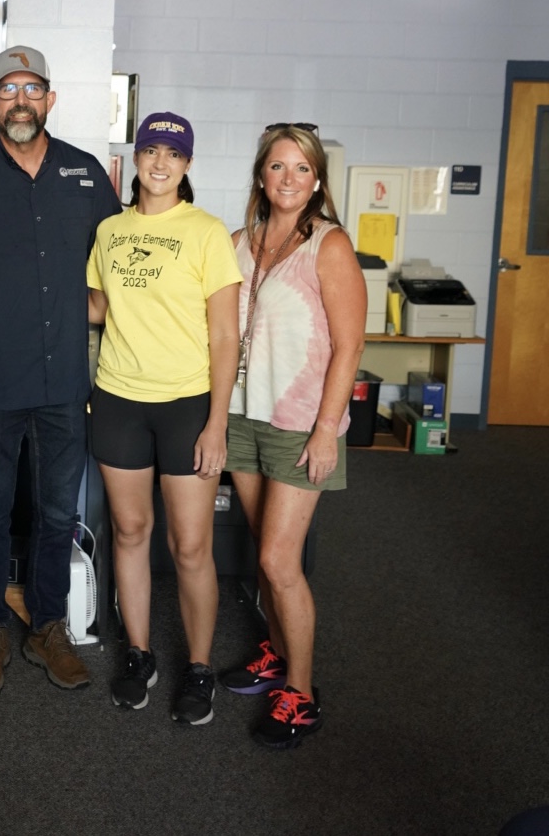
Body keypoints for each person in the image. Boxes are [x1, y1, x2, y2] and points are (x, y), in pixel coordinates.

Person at [0, 45, 121, 695]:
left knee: (58, 512)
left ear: (50, 99)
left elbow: (118, 274)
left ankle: (48, 626)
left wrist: (99, 321)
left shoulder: (88, 176)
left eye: (31, 87)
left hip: (66, 381)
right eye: (6, 89)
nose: (19, 100)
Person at [86, 113, 242, 725]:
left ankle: (198, 667)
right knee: (129, 532)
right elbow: (97, 307)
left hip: (186, 406)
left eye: (172, 154)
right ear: (137, 157)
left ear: (187, 165)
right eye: (150, 149)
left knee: (192, 546)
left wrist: (217, 423)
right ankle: (139, 654)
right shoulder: (109, 230)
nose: (159, 163)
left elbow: (225, 335)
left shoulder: (207, 234)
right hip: (120, 400)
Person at [219, 123, 365, 748]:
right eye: (278, 167)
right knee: (263, 549)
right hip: (245, 415)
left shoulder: (329, 245)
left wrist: (328, 429)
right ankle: (275, 655)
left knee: (280, 562)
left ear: (316, 180)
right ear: (261, 175)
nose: (289, 179)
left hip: (302, 422)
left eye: (302, 169)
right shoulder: (240, 242)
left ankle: (300, 696)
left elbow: (351, 344)